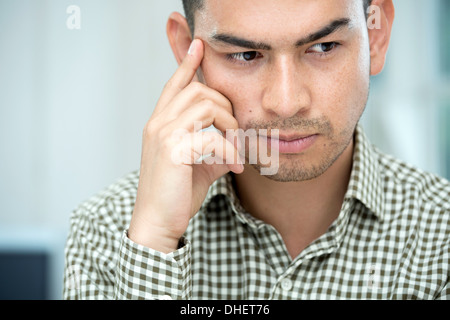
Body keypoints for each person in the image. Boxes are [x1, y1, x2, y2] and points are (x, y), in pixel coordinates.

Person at [63, 0, 450, 300]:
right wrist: (154, 243)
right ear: (187, 50)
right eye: (245, 55)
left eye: (324, 46)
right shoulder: (106, 231)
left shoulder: (441, 238)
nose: (285, 102)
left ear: (376, 37)